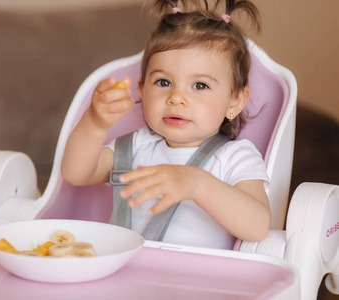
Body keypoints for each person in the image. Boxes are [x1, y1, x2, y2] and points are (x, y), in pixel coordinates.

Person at [61, 0, 271, 249]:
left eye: (200, 85)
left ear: (234, 102)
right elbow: (76, 173)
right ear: (142, 89)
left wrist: (197, 184)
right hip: (127, 275)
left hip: (198, 282)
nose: (176, 98)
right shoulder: (136, 148)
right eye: (163, 82)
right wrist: (95, 123)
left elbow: (258, 226)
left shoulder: (234, 157)